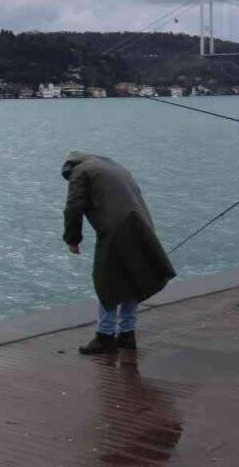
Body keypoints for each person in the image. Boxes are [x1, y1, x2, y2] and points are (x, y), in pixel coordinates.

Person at [62, 152, 176, 355]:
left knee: (106, 281)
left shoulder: (80, 171)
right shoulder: (112, 167)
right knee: (132, 277)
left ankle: (105, 337)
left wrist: (73, 239)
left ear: (69, 167)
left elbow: (74, 207)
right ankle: (126, 334)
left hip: (116, 230)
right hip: (141, 225)